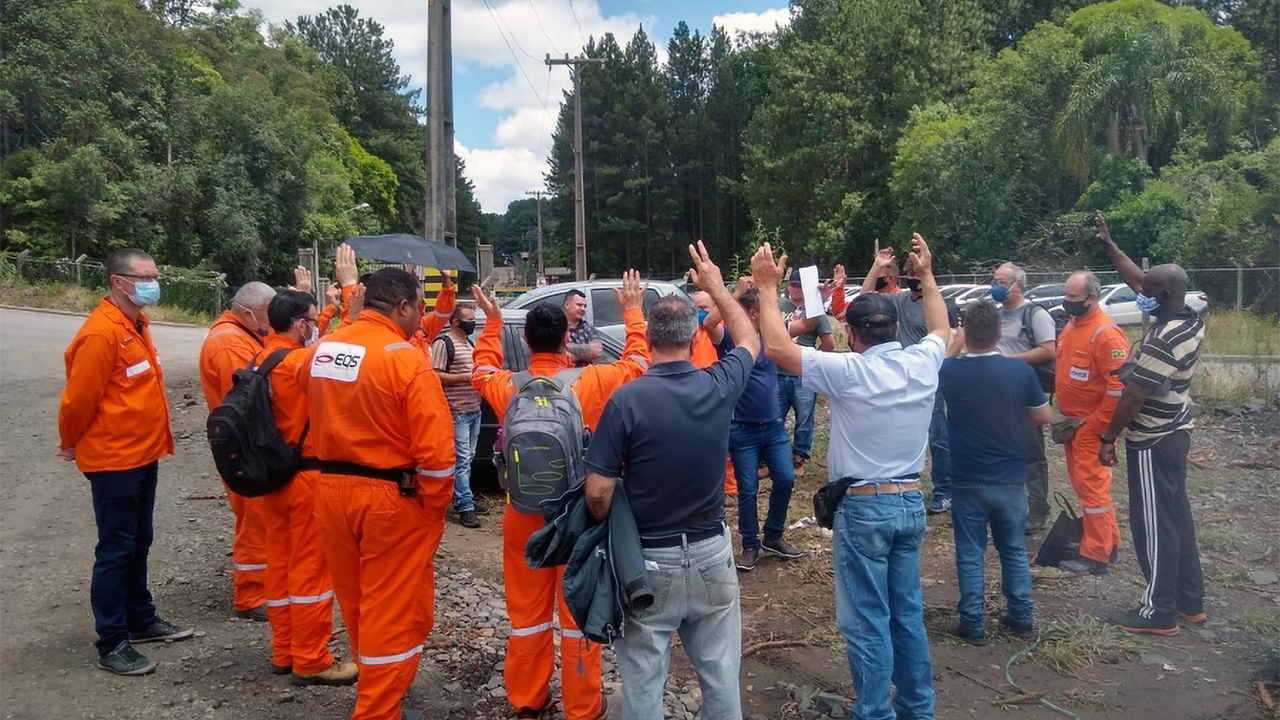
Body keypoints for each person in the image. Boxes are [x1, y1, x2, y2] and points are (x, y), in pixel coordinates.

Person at [754, 233, 946, 720]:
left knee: (866, 621)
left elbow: (776, 346)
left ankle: (875, 713)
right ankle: (918, 710)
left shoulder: (848, 372)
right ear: (897, 327)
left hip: (864, 508)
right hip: (909, 501)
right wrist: (925, 276)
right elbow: (942, 331)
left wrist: (764, 284)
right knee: (906, 614)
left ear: (853, 336)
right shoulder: (922, 363)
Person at [582, 241, 758, 720]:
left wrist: (609, 521)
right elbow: (750, 341)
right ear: (692, 333)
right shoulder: (719, 384)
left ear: (650, 337)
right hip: (710, 552)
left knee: (642, 681)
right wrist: (719, 288)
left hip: (647, 560)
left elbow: (597, 492)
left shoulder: (627, 400)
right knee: (721, 676)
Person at [471, 272, 651, 720]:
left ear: (527, 340)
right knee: (576, 613)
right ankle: (583, 706)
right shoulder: (589, 382)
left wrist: (493, 325)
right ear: (567, 337)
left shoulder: (509, 386)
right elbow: (638, 365)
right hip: (576, 516)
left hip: (522, 514)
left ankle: (529, 700)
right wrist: (632, 312)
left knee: (527, 615)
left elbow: (479, 369)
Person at [300, 268, 457, 720]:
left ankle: (379, 692)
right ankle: (379, 710)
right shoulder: (406, 360)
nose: (422, 318)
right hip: (390, 499)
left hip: (330, 492)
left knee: (357, 604)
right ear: (403, 306)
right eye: (420, 309)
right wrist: (432, 508)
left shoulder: (323, 348)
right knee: (392, 610)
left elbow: (298, 390)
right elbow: (439, 455)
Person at [59, 248, 192, 675]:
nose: (155, 281)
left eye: (155, 273)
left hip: (141, 452)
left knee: (139, 540)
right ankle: (112, 640)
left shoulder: (135, 324)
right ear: (119, 282)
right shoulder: (102, 333)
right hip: (114, 458)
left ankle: (140, 618)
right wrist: (70, 440)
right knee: (116, 549)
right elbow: (79, 399)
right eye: (146, 275)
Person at [1095, 211, 1206, 636]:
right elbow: (1141, 279)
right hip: (1176, 430)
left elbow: (1135, 394)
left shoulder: (1164, 339)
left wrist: (1109, 437)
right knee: (1177, 517)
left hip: (1152, 439)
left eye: (1147, 290)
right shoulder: (1187, 317)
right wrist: (1111, 247)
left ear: (1164, 294)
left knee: (1154, 525)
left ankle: (1158, 610)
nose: (1139, 292)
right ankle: (1190, 602)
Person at [254, 290, 359, 686]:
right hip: (306, 477)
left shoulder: (261, 357)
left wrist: (332, 308)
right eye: (313, 320)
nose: (316, 326)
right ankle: (312, 658)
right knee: (311, 573)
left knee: (279, 564)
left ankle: (285, 649)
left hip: (273, 476)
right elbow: (341, 352)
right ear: (301, 324)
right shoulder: (299, 362)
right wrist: (350, 301)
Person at [939, 300, 1052, 646]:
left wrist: (955, 338)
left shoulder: (950, 372)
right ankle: (1021, 616)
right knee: (1013, 549)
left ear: (966, 332)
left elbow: (941, 360)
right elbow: (1044, 416)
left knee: (970, 551)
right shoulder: (1019, 372)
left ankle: (972, 623)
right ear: (1000, 331)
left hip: (967, 476)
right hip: (1010, 476)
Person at [842, 251, 960, 514]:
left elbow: (952, 333)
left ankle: (944, 491)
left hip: (926, 375)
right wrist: (876, 267)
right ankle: (901, 482)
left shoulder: (936, 302)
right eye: (909, 275)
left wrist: (944, 359)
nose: (913, 280)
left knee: (938, 438)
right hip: (897, 373)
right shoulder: (900, 299)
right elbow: (864, 300)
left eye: (917, 274)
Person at [199, 279, 281, 621]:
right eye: (267, 314)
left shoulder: (239, 335)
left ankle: (262, 585)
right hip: (245, 443)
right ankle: (250, 594)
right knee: (255, 520)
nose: (271, 322)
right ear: (247, 312)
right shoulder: (231, 344)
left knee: (259, 518)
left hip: (245, 441)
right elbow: (251, 397)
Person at [718, 286, 807, 572]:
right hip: (741, 428)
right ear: (753, 312)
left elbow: (809, 324)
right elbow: (708, 324)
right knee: (747, 489)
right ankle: (750, 545)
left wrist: (818, 292)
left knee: (785, 478)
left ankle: (773, 535)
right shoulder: (731, 335)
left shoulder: (773, 331)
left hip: (773, 425)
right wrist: (733, 295)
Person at [1054, 270, 1128, 576]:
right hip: (1071, 424)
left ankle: (1096, 555)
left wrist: (1099, 427)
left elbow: (1118, 387)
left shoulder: (1106, 334)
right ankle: (1109, 543)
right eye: (1067, 295)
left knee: (1092, 490)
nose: (1067, 301)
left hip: (1090, 427)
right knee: (1088, 488)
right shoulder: (1072, 327)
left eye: (1073, 297)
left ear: (1092, 298)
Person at [992, 262, 1056, 533]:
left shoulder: (1035, 314)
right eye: (994, 280)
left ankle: (1037, 510)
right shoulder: (995, 315)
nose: (995, 286)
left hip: (1025, 392)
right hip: (997, 392)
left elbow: (1048, 350)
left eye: (1002, 281)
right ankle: (1006, 505)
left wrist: (1009, 361)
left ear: (1018, 284)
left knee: (1030, 452)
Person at [430, 303, 488, 529]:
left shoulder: (468, 343)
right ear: (456, 321)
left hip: (474, 409)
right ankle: (465, 506)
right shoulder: (443, 343)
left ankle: (465, 497)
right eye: (469, 318)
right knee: (462, 460)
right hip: (456, 411)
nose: (472, 322)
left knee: (469, 457)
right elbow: (435, 376)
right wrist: (466, 377)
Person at [777, 266, 836, 478]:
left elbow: (829, 342)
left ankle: (798, 459)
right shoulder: (778, 304)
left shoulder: (815, 310)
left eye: (800, 286)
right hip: (776, 372)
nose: (795, 290)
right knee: (774, 418)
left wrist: (812, 362)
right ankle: (774, 457)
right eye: (792, 285)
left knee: (804, 419)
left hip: (802, 374)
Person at [691, 290, 737, 499]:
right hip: (692, 392)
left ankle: (729, 488)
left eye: (703, 309)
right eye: (695, 309)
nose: (699, 313)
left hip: (717, 390)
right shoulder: (689, 331)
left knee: (723, 443)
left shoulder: (720, 330)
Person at [564, 289, 603, 366]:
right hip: (562, 376)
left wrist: (566, 347)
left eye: (585, 306)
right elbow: (553, 356)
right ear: (567, 305)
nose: (583, 309)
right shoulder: (555, 327)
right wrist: (586, 354)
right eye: (579, 305)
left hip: (585, 375)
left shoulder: (588, 329)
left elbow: (597, 351)